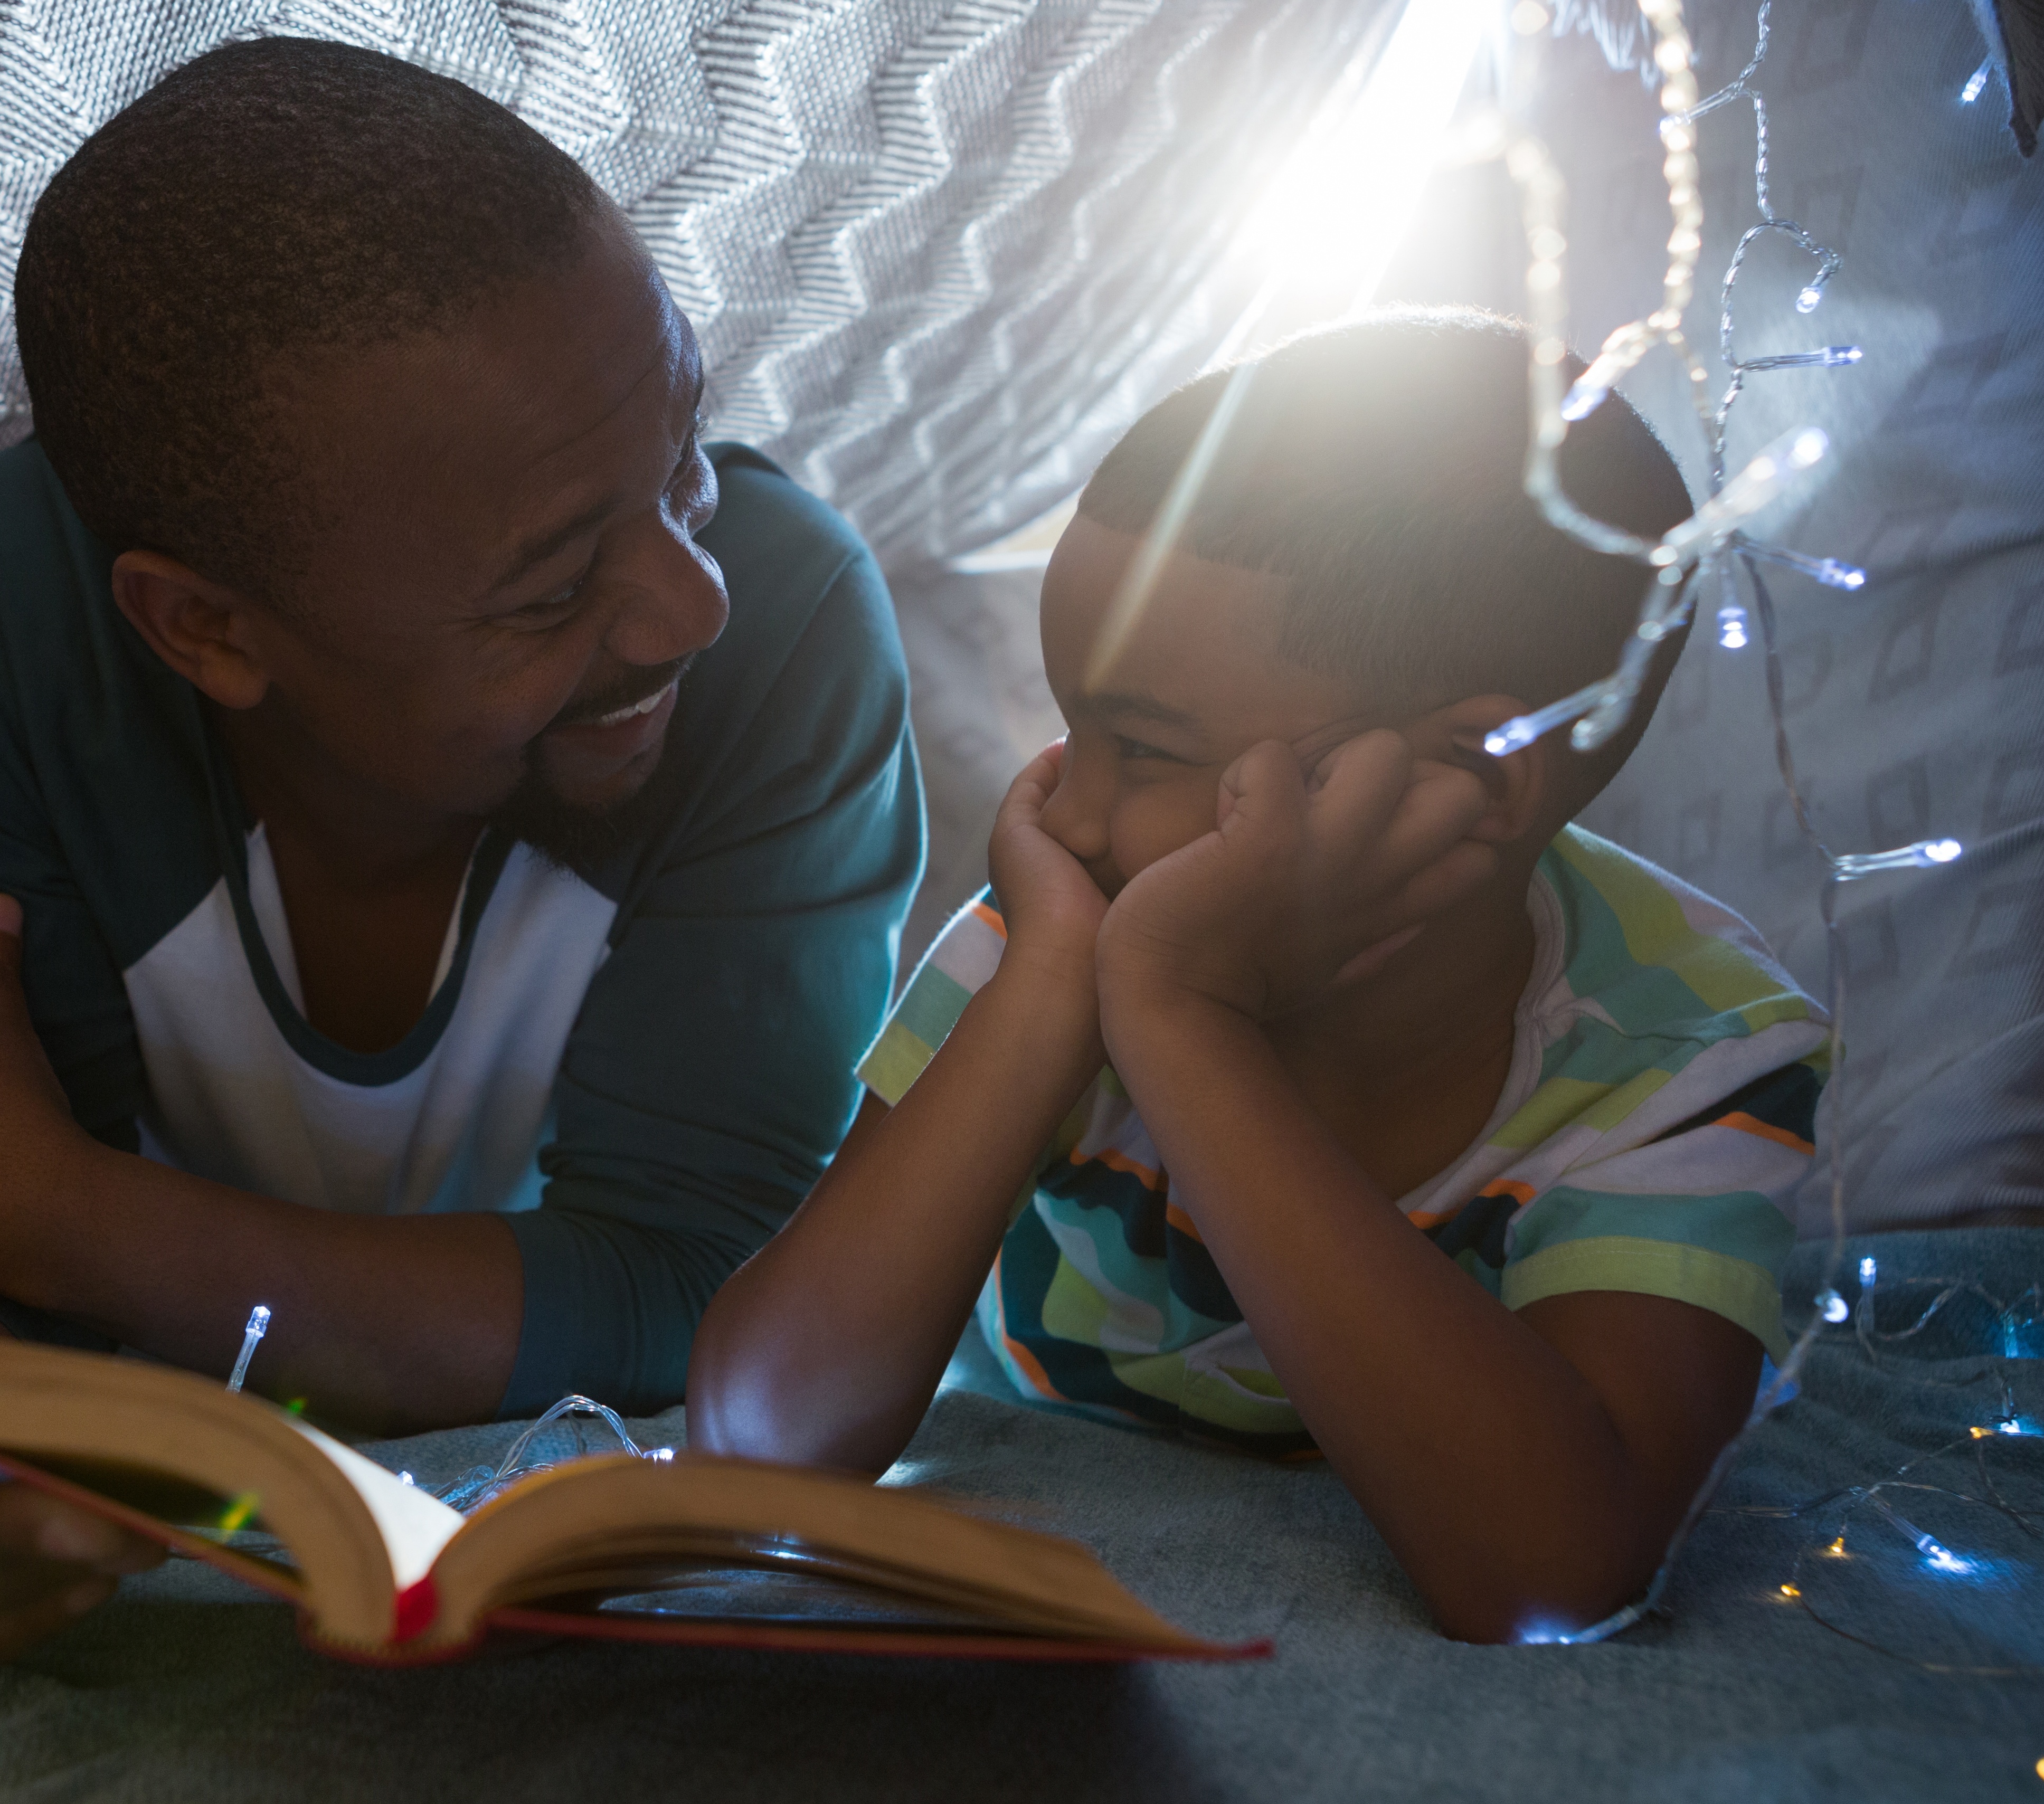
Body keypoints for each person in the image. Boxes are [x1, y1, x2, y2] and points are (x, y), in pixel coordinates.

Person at [0, 40, 921, 1668]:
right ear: (207, 629)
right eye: (547, 588)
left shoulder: (789, 630)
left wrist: (65, 1218)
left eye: (682, 462)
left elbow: (714, 1301)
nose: (688, 606)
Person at [687, 311, 1830, 1646]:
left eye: (1147, 750)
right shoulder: (1056, 928)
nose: (1069, 810)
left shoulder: (1687, 1054)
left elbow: (1552, 1575)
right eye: (1072, 728)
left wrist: (1182, 1024)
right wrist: (1058, 994)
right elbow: (761, 1441)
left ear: (1470, 785)